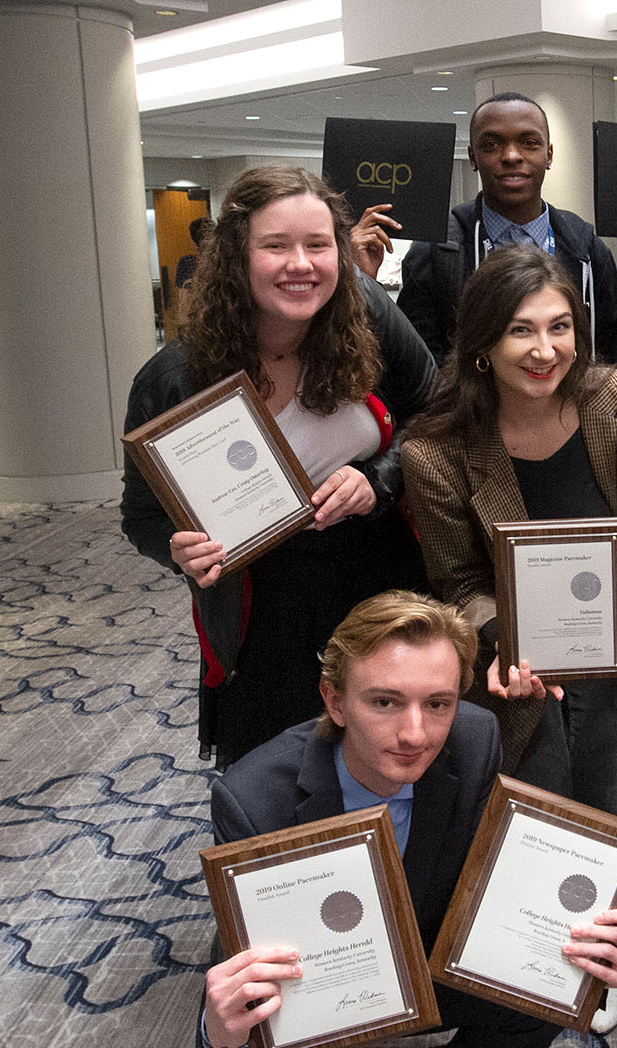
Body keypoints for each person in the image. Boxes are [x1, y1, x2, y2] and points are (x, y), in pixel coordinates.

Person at [193, 590, 617, 1048]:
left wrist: (593, 933)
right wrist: (224, 1038)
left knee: (572, 955)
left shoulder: (474, 735)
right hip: (307, 972)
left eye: (438, 703)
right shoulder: (253, 800)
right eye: (384, 702)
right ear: (334, 702)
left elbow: (488, 873)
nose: (415, 734)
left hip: (422, 939)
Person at [121, 165, 436, 767]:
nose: (301, 264)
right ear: (237, 256)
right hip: (260, 607)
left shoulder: (366, 313)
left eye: (318, 245)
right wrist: (176, 548)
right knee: (278, 780)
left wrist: (379, 479)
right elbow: (140, 516)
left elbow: (434, 413)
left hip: (384, 578)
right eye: (276, 245)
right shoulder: (175, 378)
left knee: (399, 758)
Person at [402, 244, 617, 830]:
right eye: (520, 331)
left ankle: (613, 918)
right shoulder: (435, 451)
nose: (545, 351)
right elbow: (458, 583)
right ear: (482, 344)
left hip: (616, 632)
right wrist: (505, 641)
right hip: (514, 650)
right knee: (537, 803)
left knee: (612, 796)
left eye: (560, 327)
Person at [396, 91, 617, 369]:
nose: (511, 156)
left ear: (549, 154)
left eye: (529, 143)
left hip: (568, 411)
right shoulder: (436, 252)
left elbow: (614, 357)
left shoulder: (586, 250)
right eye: (491, 145)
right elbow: (418, 372)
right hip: (473, 412)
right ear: (472, 157)